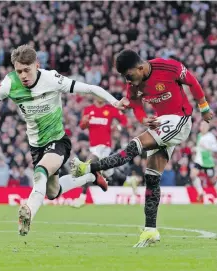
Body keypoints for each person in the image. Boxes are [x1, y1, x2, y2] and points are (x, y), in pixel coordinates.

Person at [0, 44, 123, 236]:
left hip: (58, 141)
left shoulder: (52, 79)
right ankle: (90, 177)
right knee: (53, 192)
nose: (23, 76)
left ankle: (28, 212)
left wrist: (115, 102)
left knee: (40, 172)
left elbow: (90, 88)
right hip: (36, 145)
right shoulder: (9, 84)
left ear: (37, 65)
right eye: (19, 71)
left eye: (27, 70)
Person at [71, 49, 213, 247]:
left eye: (128, 75)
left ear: (140, 67)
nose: (127, 80)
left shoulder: (168, 67)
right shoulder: (133, 83)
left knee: (135, 145)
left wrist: (204, 107)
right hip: (161, 124)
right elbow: (136, 106)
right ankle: (150, 230)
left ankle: (88, 169)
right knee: (151, 177)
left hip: (180, 120)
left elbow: (193, 82)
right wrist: (143, 119)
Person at [72, 96, 127, 208]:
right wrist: (84, 122)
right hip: (93, 146)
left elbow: (124, 121)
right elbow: (82, 126)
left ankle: (82, 197)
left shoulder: (110, 109)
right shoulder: (88, 110)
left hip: (104, 146)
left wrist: (118, 127)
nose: (100, 97)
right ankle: (128, 180)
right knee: (108, 172)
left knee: (87, 166)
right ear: (94, 96)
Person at [191, 122, 217, 201]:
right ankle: (200, 192)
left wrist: (207, 147)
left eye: (203, 125)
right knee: (193, 175)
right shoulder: (199, 135)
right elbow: (199, 147)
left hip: (207, 161)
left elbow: (215, 148)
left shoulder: (210, 136)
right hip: (199, 160)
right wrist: (195, 149)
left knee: (213, 180)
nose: (201, 127)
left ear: (207, 127)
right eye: (201, 125)